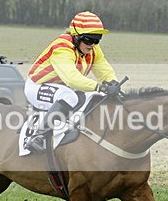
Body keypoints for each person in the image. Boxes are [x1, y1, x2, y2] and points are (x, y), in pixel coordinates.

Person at [24, 11, 119, 152]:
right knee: (69, 97)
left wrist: (112, 83)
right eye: (88, 39)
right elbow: (72, 78)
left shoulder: (93, 49)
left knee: (92, 97)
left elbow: (103, 69)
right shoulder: (62, 47)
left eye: (97, 39)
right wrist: (99, 87)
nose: (92, 44)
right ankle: (38, 136)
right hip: (37, 86)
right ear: (76, 36)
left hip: (62, 86)